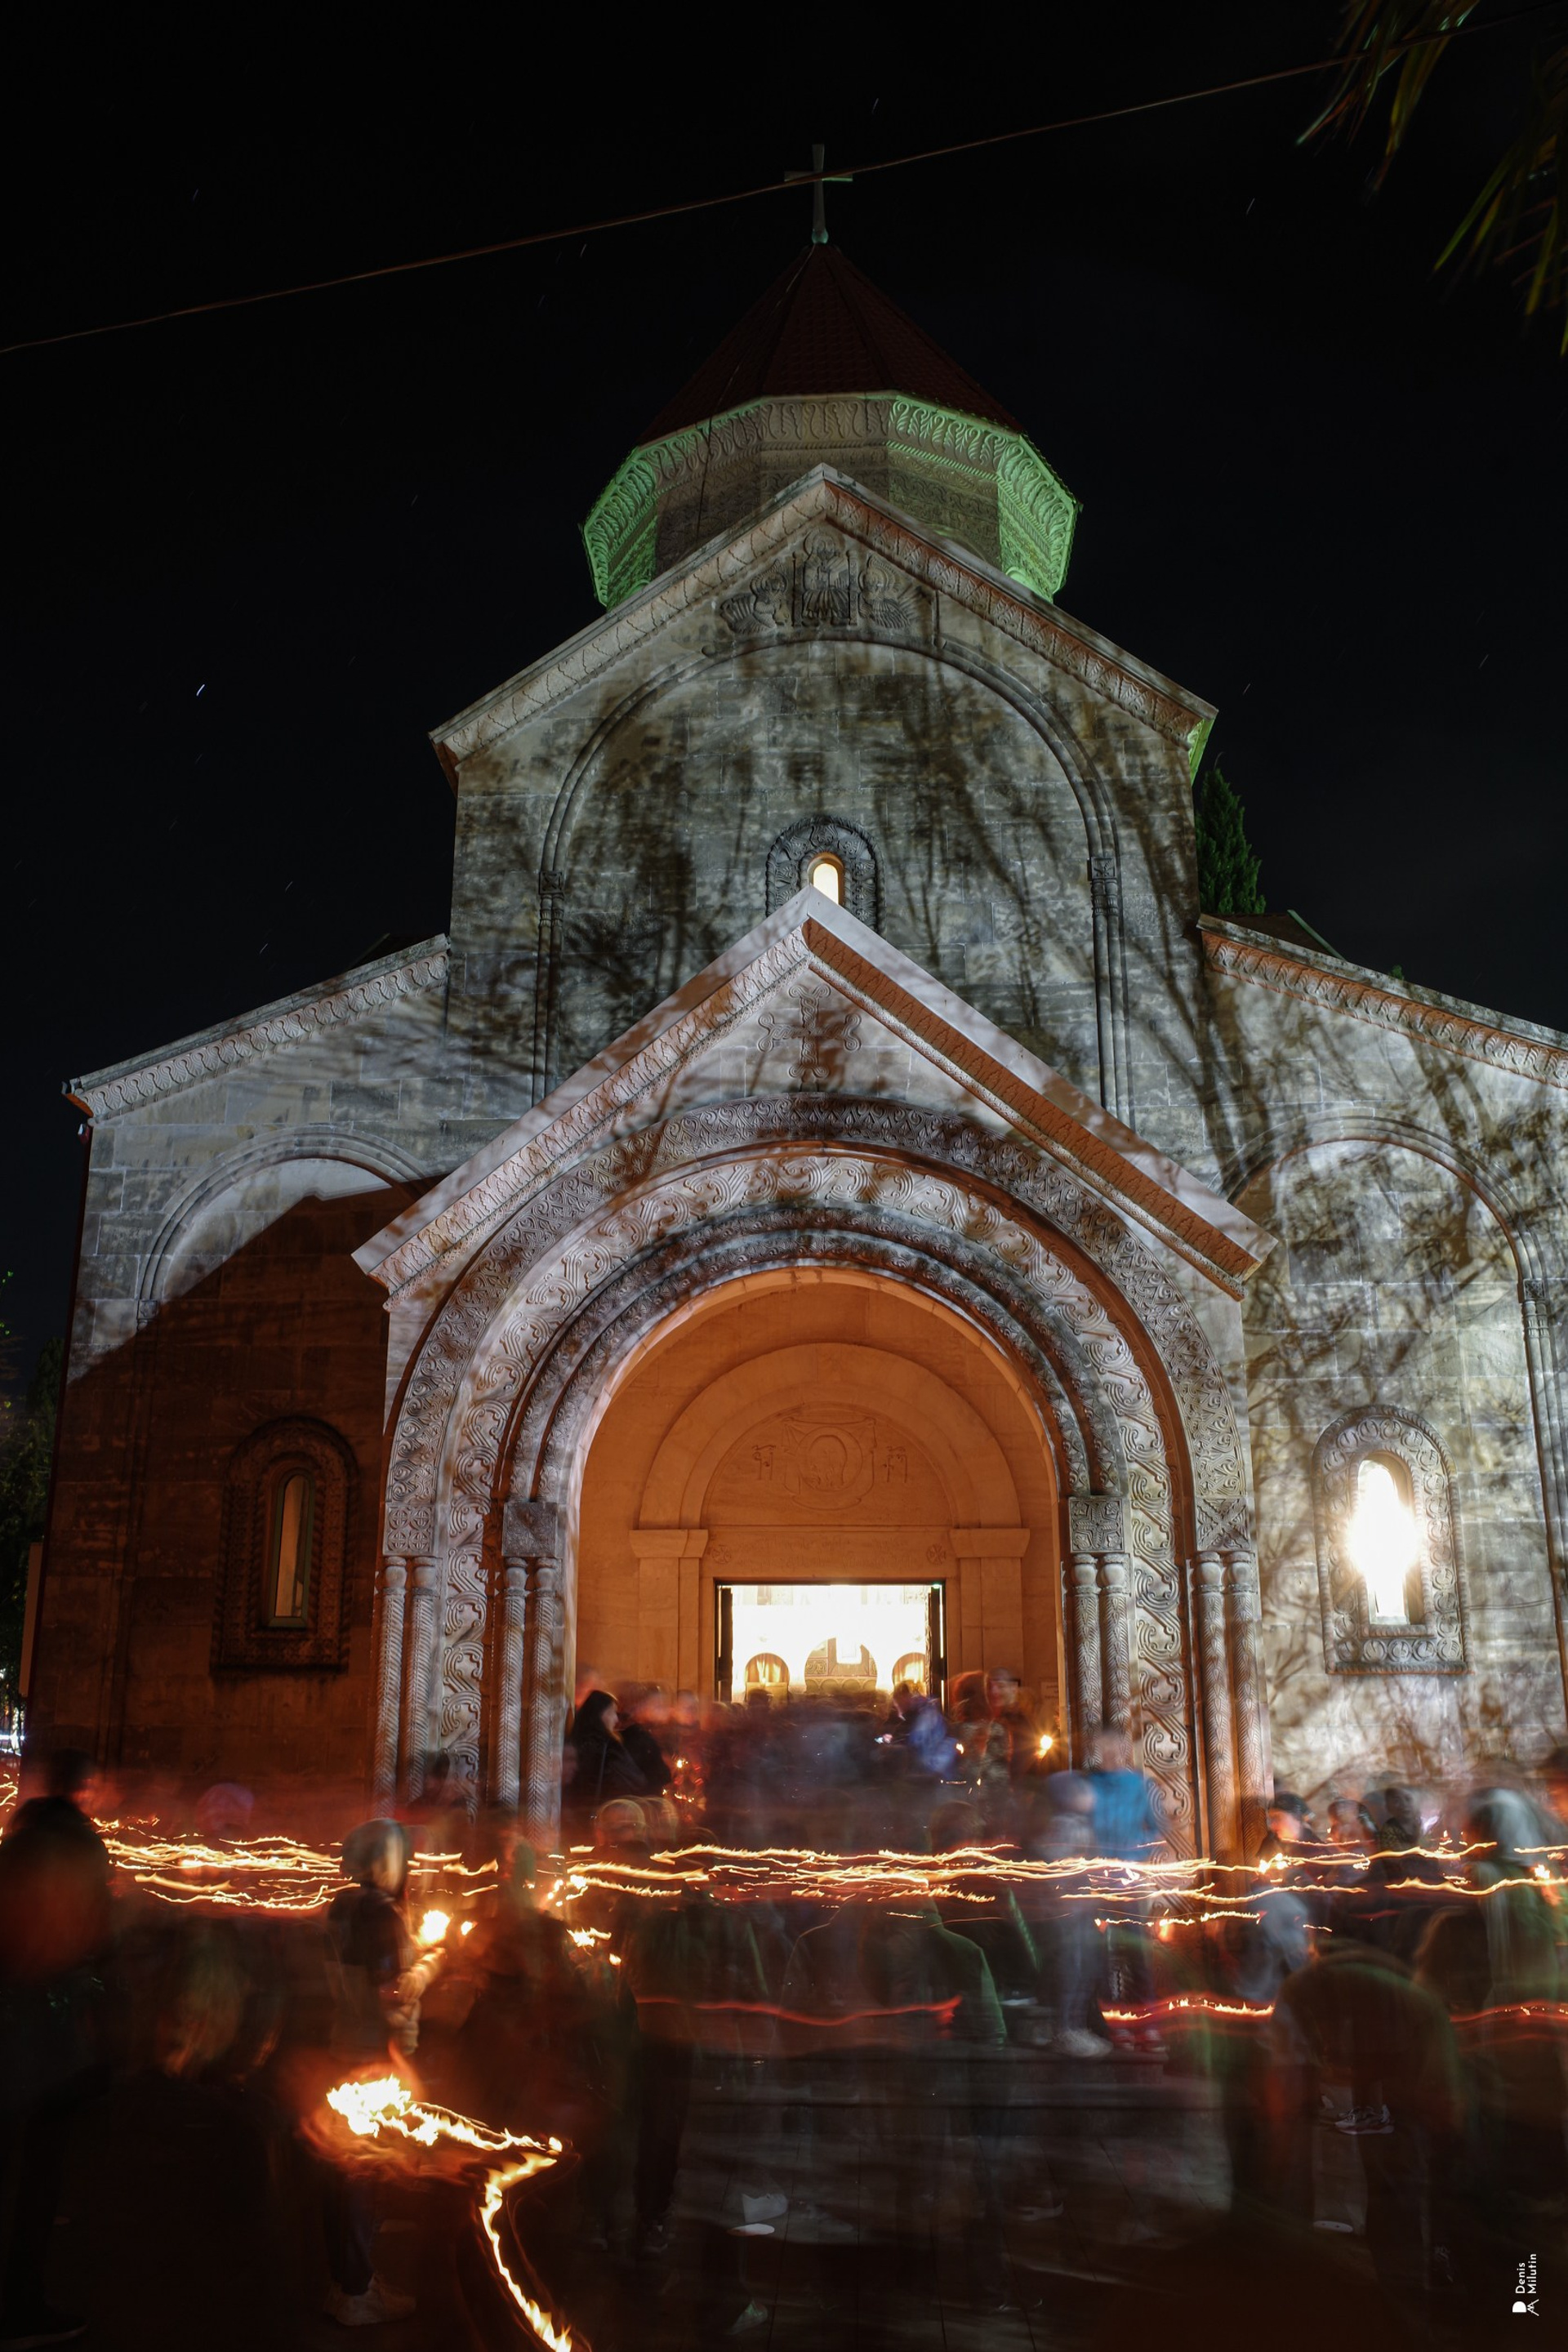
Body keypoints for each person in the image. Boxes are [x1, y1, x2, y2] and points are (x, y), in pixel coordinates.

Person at [0, 1749, 112, 2346]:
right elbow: (97, 1935)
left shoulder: (15, 1843)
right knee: (41, 2169)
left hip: (6, 2009)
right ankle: (20, 2308)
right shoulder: (84, 1851)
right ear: (86, 1790)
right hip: (48, 2025)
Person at [318, 1820, 430, 2328]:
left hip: (343, 2047)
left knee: (347, 2171)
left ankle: (347, 2281)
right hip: (373, 2059)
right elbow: (389, 1993)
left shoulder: (339, 1907)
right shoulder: (382, 1914)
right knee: (362, 2173)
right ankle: (358, 2292)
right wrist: (426, 1971)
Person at [563, 1692, 649, 1833]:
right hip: (608, 1824)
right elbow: (635, 1780)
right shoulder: (608, 1746)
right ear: (602, 1714)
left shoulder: (574, 1742)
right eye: (613, 1713)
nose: (616, 1720)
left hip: (573, 1826)